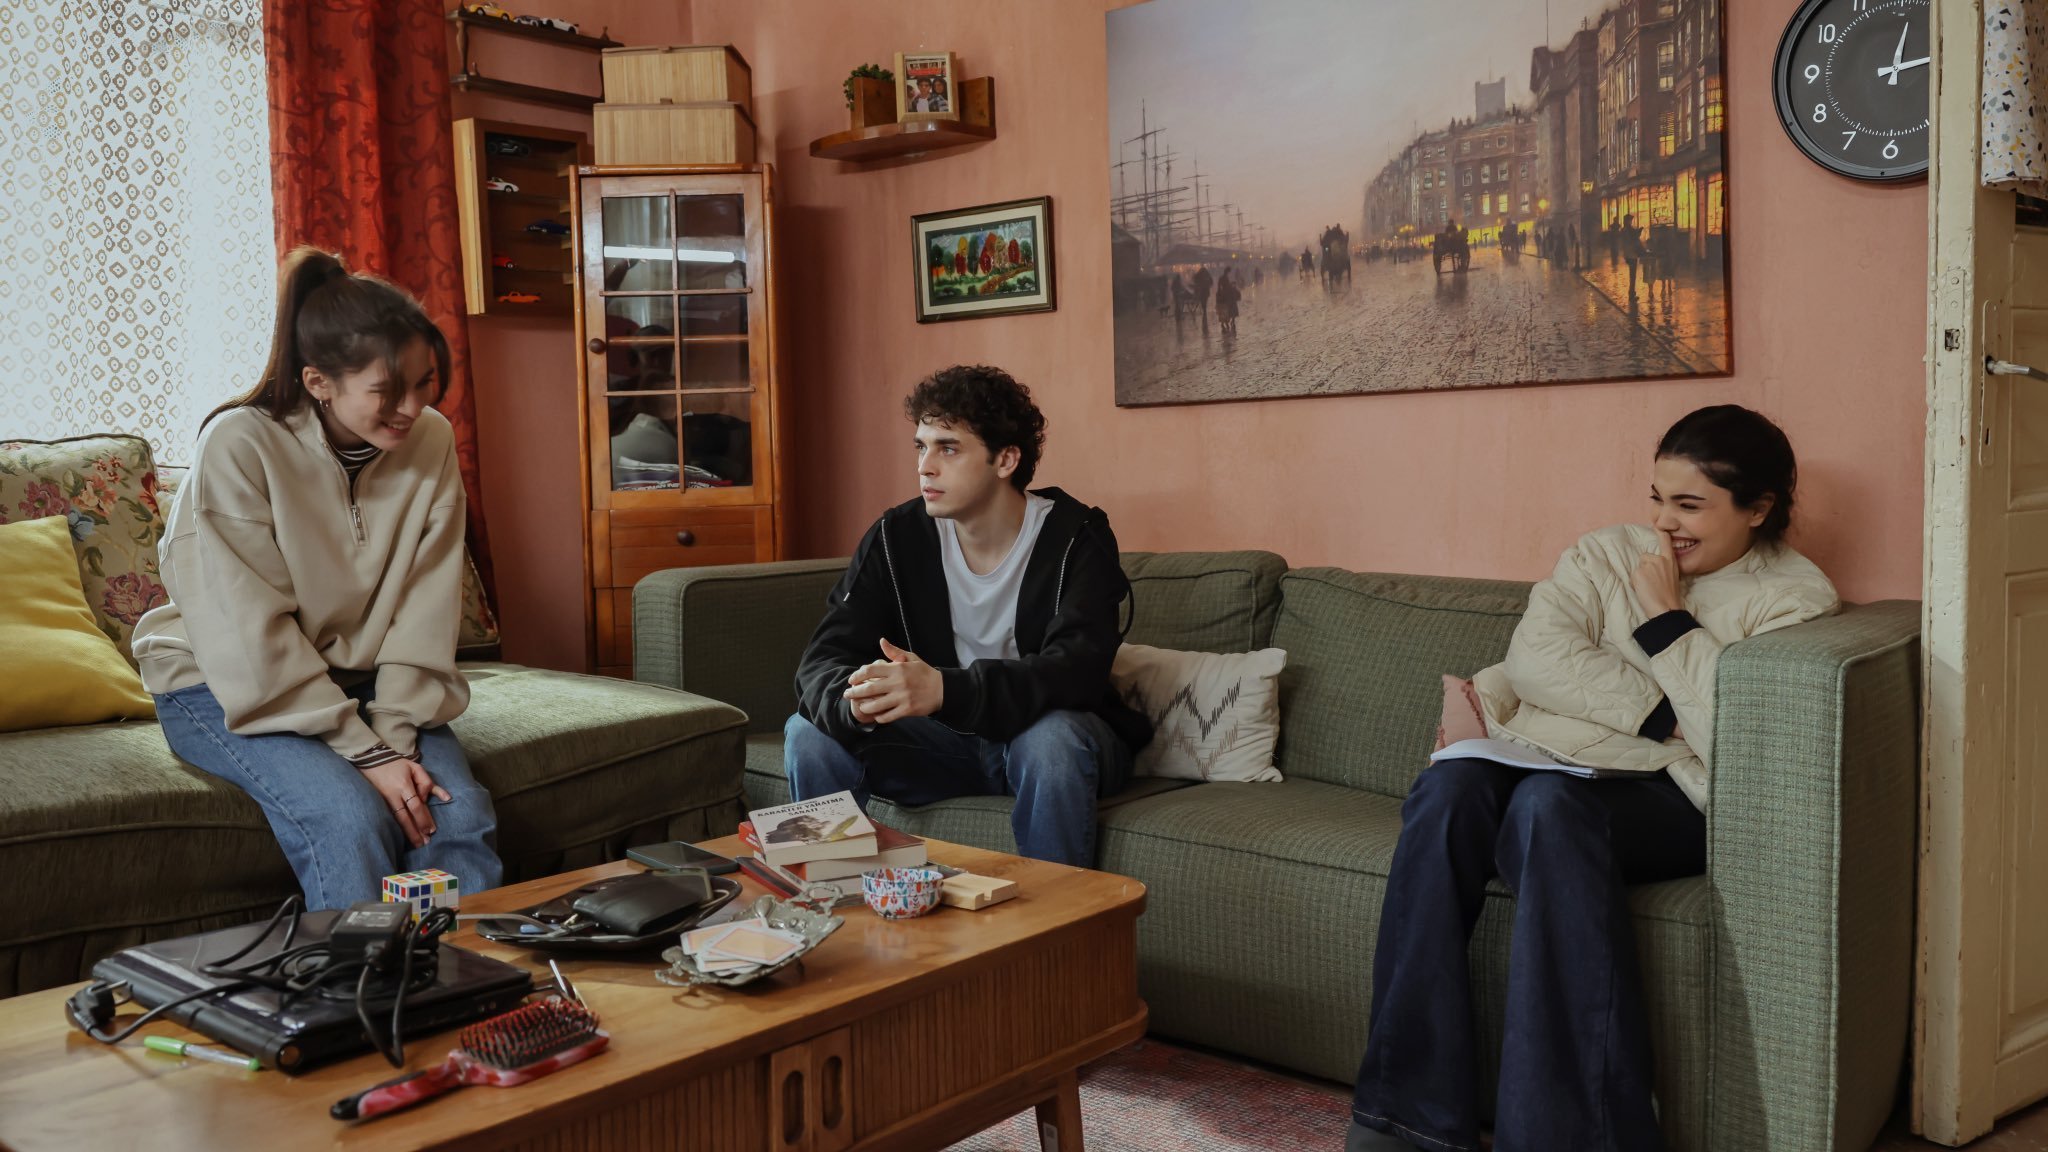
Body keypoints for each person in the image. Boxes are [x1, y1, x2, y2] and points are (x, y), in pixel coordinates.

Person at [1346, 405, 1839, 1152]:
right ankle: (1403, 1120)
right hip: (1547, 757)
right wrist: (1663, 711)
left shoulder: (1794, 599)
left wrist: (1666, 618)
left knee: (1547, 808)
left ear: (1758, 508)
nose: (1664, 523)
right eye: (1657, 498)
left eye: (1690, 505)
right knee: (1446, 793)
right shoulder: (1604, 553)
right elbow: (1535, 659)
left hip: (1671, 795)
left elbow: (1737, 738)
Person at [134, 248, 502, 912]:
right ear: (319, 381)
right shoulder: (239, 443)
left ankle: (464, 975)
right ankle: (354, 981)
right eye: (387, 391)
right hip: (223, 681)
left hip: (362, 680)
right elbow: (245, 630)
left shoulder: (431, 440)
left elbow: (425, 605)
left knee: (456, 813)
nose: (411, 407)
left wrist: (393, 735)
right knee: (348, 818)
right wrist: (368, 757)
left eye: (425, 383)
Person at [783, 365, 1151, 867]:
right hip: (942, 745)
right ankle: (831, 898)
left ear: (1006, 459)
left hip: (1046, 738)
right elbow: (822, 659)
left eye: (949, 448)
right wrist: (856, 706)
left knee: (1050, 741)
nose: (925, 467)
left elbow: (1077, 672)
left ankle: (1059, 915)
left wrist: (945, 689)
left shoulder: (1075, 538)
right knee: (808, 733)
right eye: (921, 446)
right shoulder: (896, 537)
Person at [1215, 268, 1241, 337]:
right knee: (1227, 309)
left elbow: (1219, 286)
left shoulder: (1222, 278)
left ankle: (1226, 322)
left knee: (1224, 309)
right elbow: (1225, 286)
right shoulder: (1225, 278)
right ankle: (1228, 321)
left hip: (1224, 295)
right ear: (1227, 272)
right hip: (1226, 296)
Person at [1190, 264, 1214, 330]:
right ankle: (1204, 310)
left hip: (1202, 291)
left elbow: (1195, 280)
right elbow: (1211, 282)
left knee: (1203, 301)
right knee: (1204, 301)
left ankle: (1203, 310)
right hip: (1205, 291)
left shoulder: (1199, 275)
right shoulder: (1207, 275)